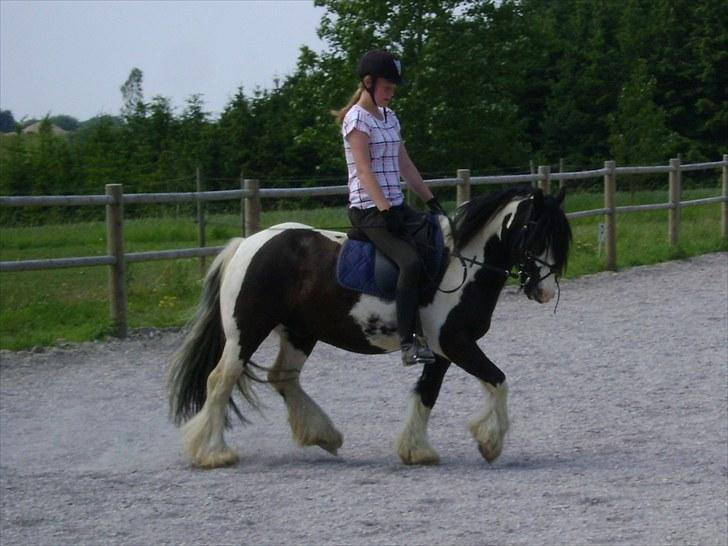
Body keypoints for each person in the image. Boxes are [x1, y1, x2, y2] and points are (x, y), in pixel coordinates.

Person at [334, 48, 445, 366]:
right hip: (368, 209)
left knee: (433, 241)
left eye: (394, 89)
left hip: (393, 206)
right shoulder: (356, 119)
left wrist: (430, 200)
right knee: (408, 262)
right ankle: (408, 342)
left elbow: (405, 165)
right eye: (387, 88)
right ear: (368, 83)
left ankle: (431, 322)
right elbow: (365, 171)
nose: (391, 94)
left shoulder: (389, 117)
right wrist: (385, 210)